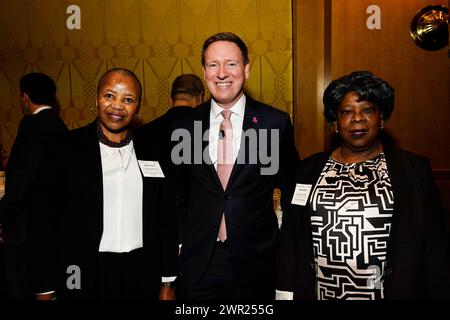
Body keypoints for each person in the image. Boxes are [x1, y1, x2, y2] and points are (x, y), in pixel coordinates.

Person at [276, 70, 450, 300]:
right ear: (335, 123)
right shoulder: (307, 170)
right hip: (320, 292)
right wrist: (285, 293)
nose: (357, 118)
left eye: (368, 110)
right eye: (347, 112)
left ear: (382, 119)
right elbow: (291, 238)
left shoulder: (413, 170)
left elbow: (434, 245)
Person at [173, 32, 299, 300]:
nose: (222, 73)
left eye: (231, 64)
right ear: (204, 71)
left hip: (257, 261)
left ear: (246, 69)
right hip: (199, 263)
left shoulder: (274, 123)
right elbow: (177, 192)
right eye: (213, 65)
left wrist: (286, 251)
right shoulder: (185, 126)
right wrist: (182, 241)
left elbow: (291, 190)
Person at [52, 68, 178, 300]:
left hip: (142, 271)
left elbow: (166, 218)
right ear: (97, 99)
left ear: (137, 107)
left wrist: (168, 281)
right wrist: (46, 288)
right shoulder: (67, 148)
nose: (117, 105)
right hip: (84, 270)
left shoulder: (154, 149)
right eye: (109, 96)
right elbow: (47, 220)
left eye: (127, 99)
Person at [0, 72, 68, 299]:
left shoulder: (31, 125)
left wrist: (3, 216)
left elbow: (22, 179)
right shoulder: (60, 127)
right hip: (54, 228)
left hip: (25, 229)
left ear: (25, 97)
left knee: (21, 289)